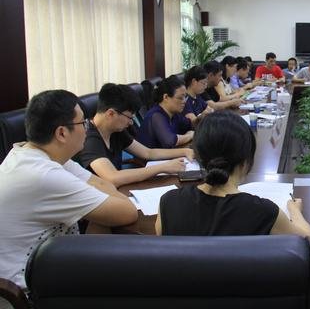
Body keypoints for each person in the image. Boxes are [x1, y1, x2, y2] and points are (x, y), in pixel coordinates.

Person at [0, 90, 138, 288]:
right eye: (83, 123)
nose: (88, 127)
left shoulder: (38, 155)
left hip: (54, 261)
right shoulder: (44, 175)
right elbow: (128, 212)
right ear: (62, 133)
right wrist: (107, 205)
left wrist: (104, 204)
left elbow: (103, 184)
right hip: (28, 290)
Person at [156, 111, 310, 238]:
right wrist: (294, 210)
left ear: (198, 157)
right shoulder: (263, 212)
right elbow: (306, 242)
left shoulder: (168, 203)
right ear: (246, 161)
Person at [74, 83, 194, 187]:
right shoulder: (89, 138)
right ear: (111, 114)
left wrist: (185, 151)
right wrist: (162, 167)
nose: (131, 122)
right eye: (129, 117)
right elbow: (112, 177)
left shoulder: (116, 130)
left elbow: (148, 153)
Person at [137, 75, 195, 149]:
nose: (184, 101)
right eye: (180, 97)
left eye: (185, 97)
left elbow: (190, 125)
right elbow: (170, 141)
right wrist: (189, 136)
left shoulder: (174, 114)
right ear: (166, 97)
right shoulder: (156, 115)